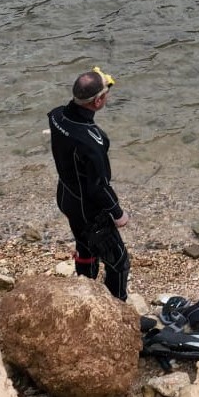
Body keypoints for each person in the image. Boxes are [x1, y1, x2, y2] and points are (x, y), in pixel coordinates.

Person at [48, 67, 131, 299]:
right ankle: (117, 309)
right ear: (98, 101)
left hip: (66, 196)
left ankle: (85, 295)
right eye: (106, 93)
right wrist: (117, 212)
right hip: (89, 209)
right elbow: (99, 186)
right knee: (119, 261)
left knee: (85, 247)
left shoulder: (56, 116)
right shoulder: (93, 141)